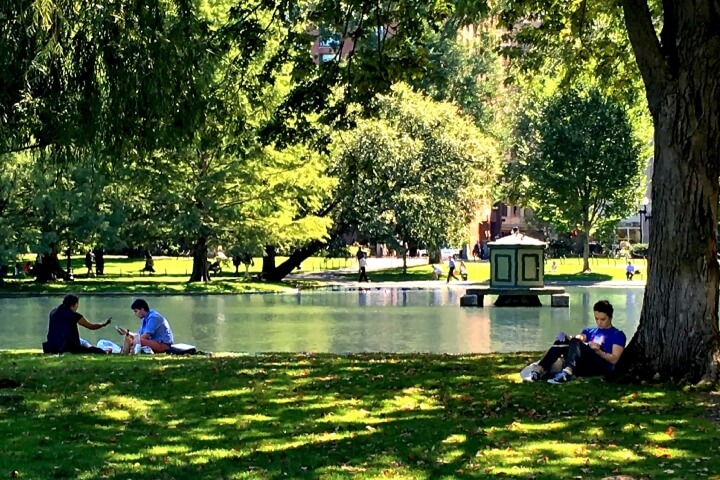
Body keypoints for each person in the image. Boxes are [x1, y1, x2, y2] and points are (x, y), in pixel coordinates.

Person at [521, 300, 626, 384]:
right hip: (582, 363)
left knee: (576, 342)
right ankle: (537, 371)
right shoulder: (589, 330)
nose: (599, 322)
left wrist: (599, 352)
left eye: (603, 319)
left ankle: (567, 372)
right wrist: (568, 338)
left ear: (610, 317)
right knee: (562, 341)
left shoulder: (617, 335)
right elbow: (580, 338)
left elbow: (614, 360)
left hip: (599, 365)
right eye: (596, 319)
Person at [42, 294, 112, 354]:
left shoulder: (53, 313)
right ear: (74, 304)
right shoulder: (74, 316)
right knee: (89, 350)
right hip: (67, 347)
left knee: (82, 342)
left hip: (52, 346)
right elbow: (91, 326)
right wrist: (103, 324)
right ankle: (104, 352)